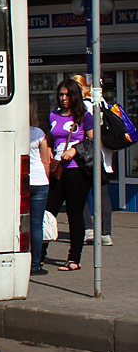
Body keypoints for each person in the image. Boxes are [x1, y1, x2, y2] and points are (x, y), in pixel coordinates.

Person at [44, 78, 94, 271]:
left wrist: (74, 150)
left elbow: (92, 141)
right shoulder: (53, 115)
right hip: (57, 170)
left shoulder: (84, 117)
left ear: (75, 96)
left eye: (67, 95)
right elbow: (49, 138)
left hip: (77, 170)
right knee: (49, 212)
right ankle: (39, 256)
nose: (63, 98)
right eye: (61, 95)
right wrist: (47, 151)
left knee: (74, 213)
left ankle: (74, 258)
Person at [71, 74, 115, 246]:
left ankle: (88, 230)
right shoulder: (101, 102)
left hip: (86, 156)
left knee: (80, 193)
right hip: (103, 155)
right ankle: (105, 233)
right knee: (102, 194)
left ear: (82, 88)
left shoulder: (82, 107)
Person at [29, 105, 53, 276]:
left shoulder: (14, 131)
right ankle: (35, 264)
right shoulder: (38, 134)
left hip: (22, 180)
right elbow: (45, 161)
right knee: (37, 224)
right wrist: (47, 179)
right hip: (39, 181)